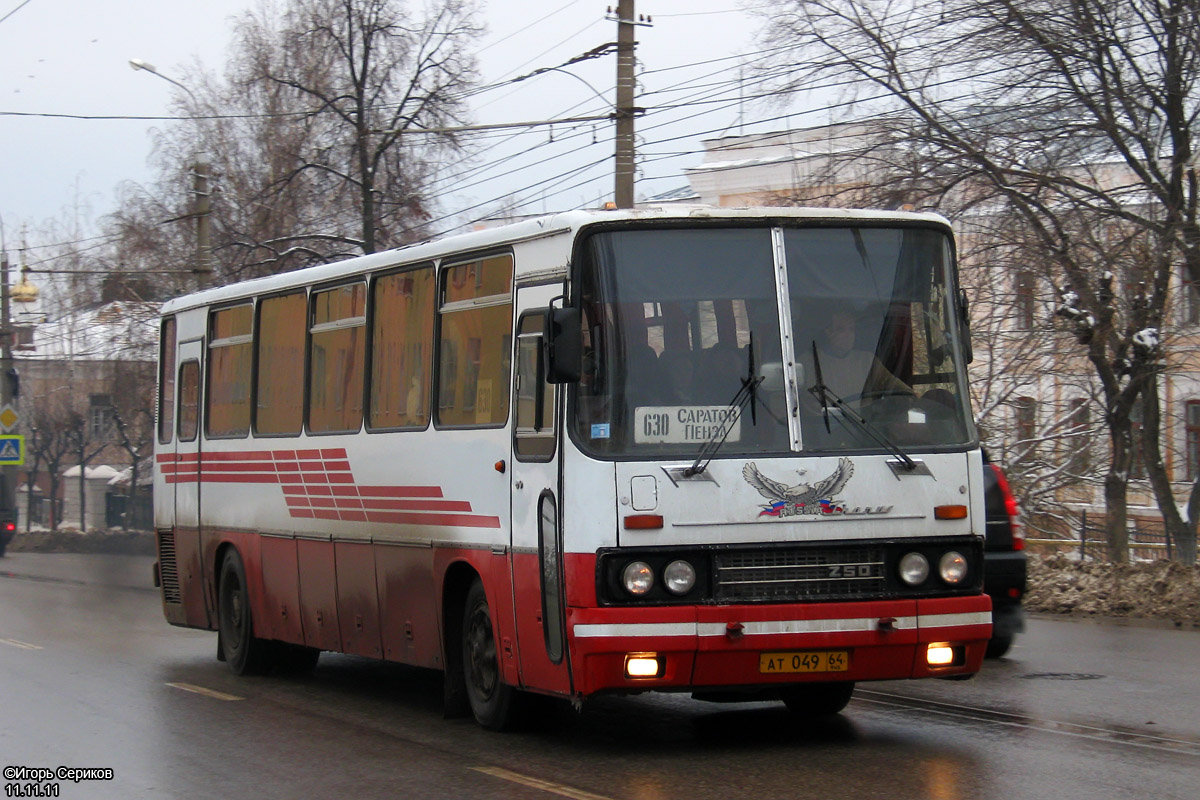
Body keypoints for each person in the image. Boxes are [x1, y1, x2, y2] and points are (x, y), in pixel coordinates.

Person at [807, 309, 911, 405]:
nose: (849, 335)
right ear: (827, 332)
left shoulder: (867, 360)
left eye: (852, 329)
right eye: (841, 329)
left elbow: (900, 390)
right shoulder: (809, 362)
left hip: (861, 423)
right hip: (823, 423)